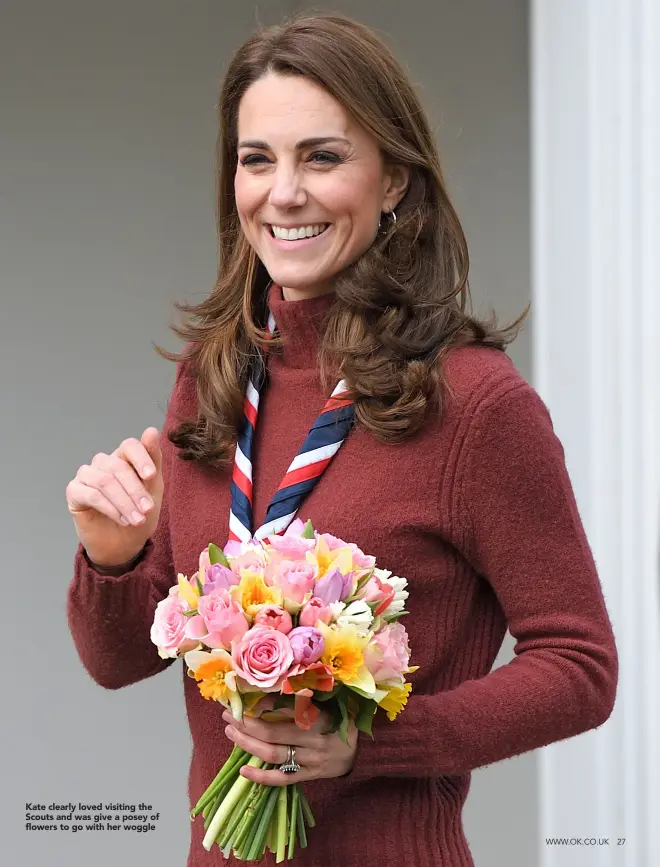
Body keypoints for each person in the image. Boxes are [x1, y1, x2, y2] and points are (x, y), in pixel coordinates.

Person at [65, 12, 618, 867]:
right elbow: (115, 662)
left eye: (322, 156)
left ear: (394, 178)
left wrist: (377, 745)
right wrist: (112, 560)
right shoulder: (211, 376)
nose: (283, 192)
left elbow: (581, 666)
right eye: (257, 160)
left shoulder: (474, 403)